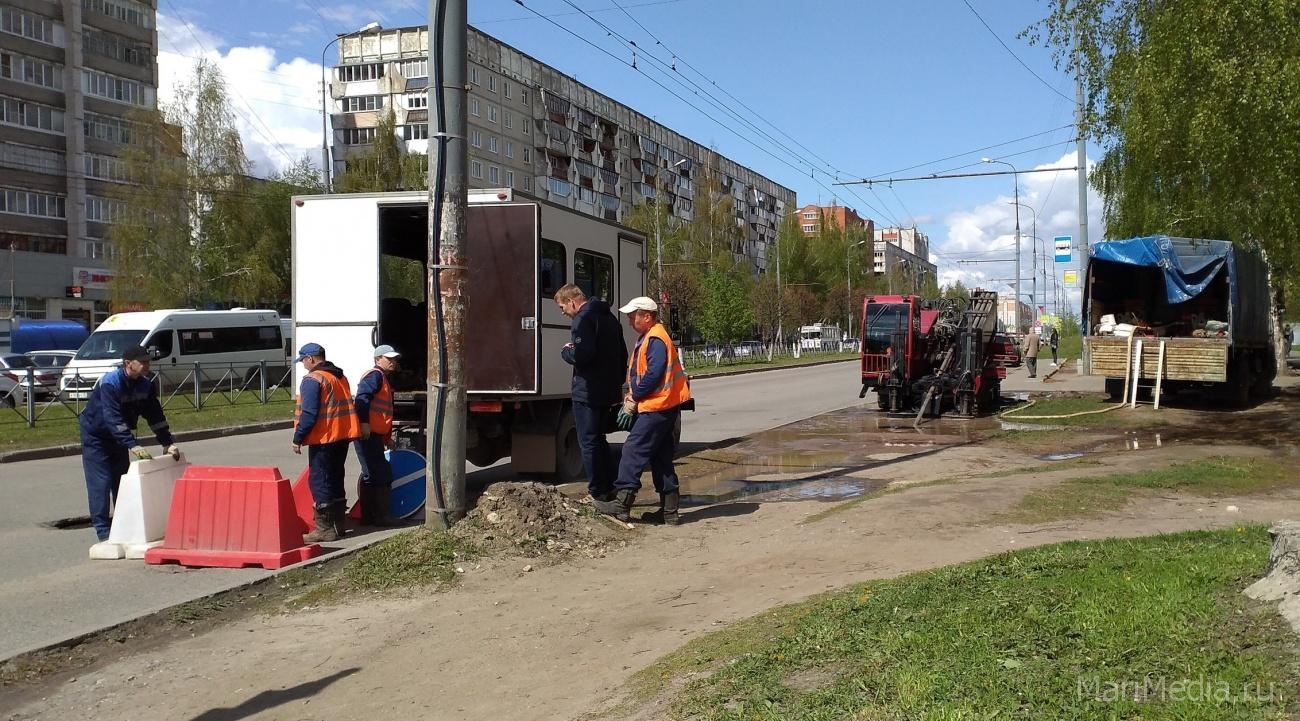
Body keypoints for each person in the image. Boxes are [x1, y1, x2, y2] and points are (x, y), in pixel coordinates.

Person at [594, 296, 692, 525]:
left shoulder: (655, 338)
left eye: (632, 316)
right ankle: (669, 512)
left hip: (656, 407)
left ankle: (621, 504)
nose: (629, 321)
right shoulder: (651, 336)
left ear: (646, 316)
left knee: (632, 450)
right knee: (661, 458)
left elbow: (654, 373)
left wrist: (635, 397)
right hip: (664, 406)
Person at [79, 345, 179, 542]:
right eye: (142, 362)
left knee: (121, 480)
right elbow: (112, 418)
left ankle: (122, 526)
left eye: (148, 361)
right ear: (128, 364)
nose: (147, 365)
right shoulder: (110, 383)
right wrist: (132, 444)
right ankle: (103, 532)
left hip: (119, 436)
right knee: (101, 481)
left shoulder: (145, 384)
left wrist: (167, 442)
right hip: (96, 435)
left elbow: (155, 415)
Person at [554, 283, 628, 502]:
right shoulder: (610, 318)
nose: (562, 312)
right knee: (599, 439)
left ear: (573, 302)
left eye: (562, 307)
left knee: (588, 442)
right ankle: (610, 485)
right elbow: (622, 354)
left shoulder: (583, 320)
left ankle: (597, 491)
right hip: (607, 390)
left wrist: (567, 351)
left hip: (587, 391)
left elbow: (583, 355)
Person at [292, 343, 361, 542]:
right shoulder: (339, 376)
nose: (303, 364)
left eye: (303, 360)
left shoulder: (313, 379)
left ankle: (324, 529)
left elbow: (310, 413)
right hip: (342, 435)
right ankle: (338, 524)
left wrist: (298, 437)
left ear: (310, 359)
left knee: (320, 480)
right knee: (336, 477)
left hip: (324, 438)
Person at [353, 344, 402, 526]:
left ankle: (370, 517)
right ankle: (380, 517)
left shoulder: (382, 378)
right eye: (389, 359)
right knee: (377, 473)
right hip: (367, 433)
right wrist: (364, 424)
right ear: (378, 359)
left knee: (374, 473)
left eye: (394, 359)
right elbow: (362, 400)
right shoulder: (375, 375)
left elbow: (382, 413)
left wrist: (386, 437)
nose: (393, 362)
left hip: (373, 434)